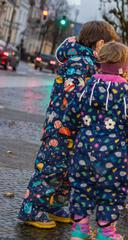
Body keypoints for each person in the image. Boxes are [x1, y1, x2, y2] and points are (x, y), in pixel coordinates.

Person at [17, 21, 119, 229]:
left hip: (75, 130)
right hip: (61, 128)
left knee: (69, 172)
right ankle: (31, 208)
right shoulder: (80, 63)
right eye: (109, 47)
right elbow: (75, 96)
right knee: (51, 170)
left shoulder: (89, 64)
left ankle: (54, 205)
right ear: (100, 44)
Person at [64, 42, 128, 240]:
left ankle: (79, 231)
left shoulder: (87, 87)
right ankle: (106, 233)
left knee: (81, 187)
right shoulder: (126, 93)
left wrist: (74, 130)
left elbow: (71, 114)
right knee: (110, 189)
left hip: (84, 149)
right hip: (113, 154)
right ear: (125, 67)